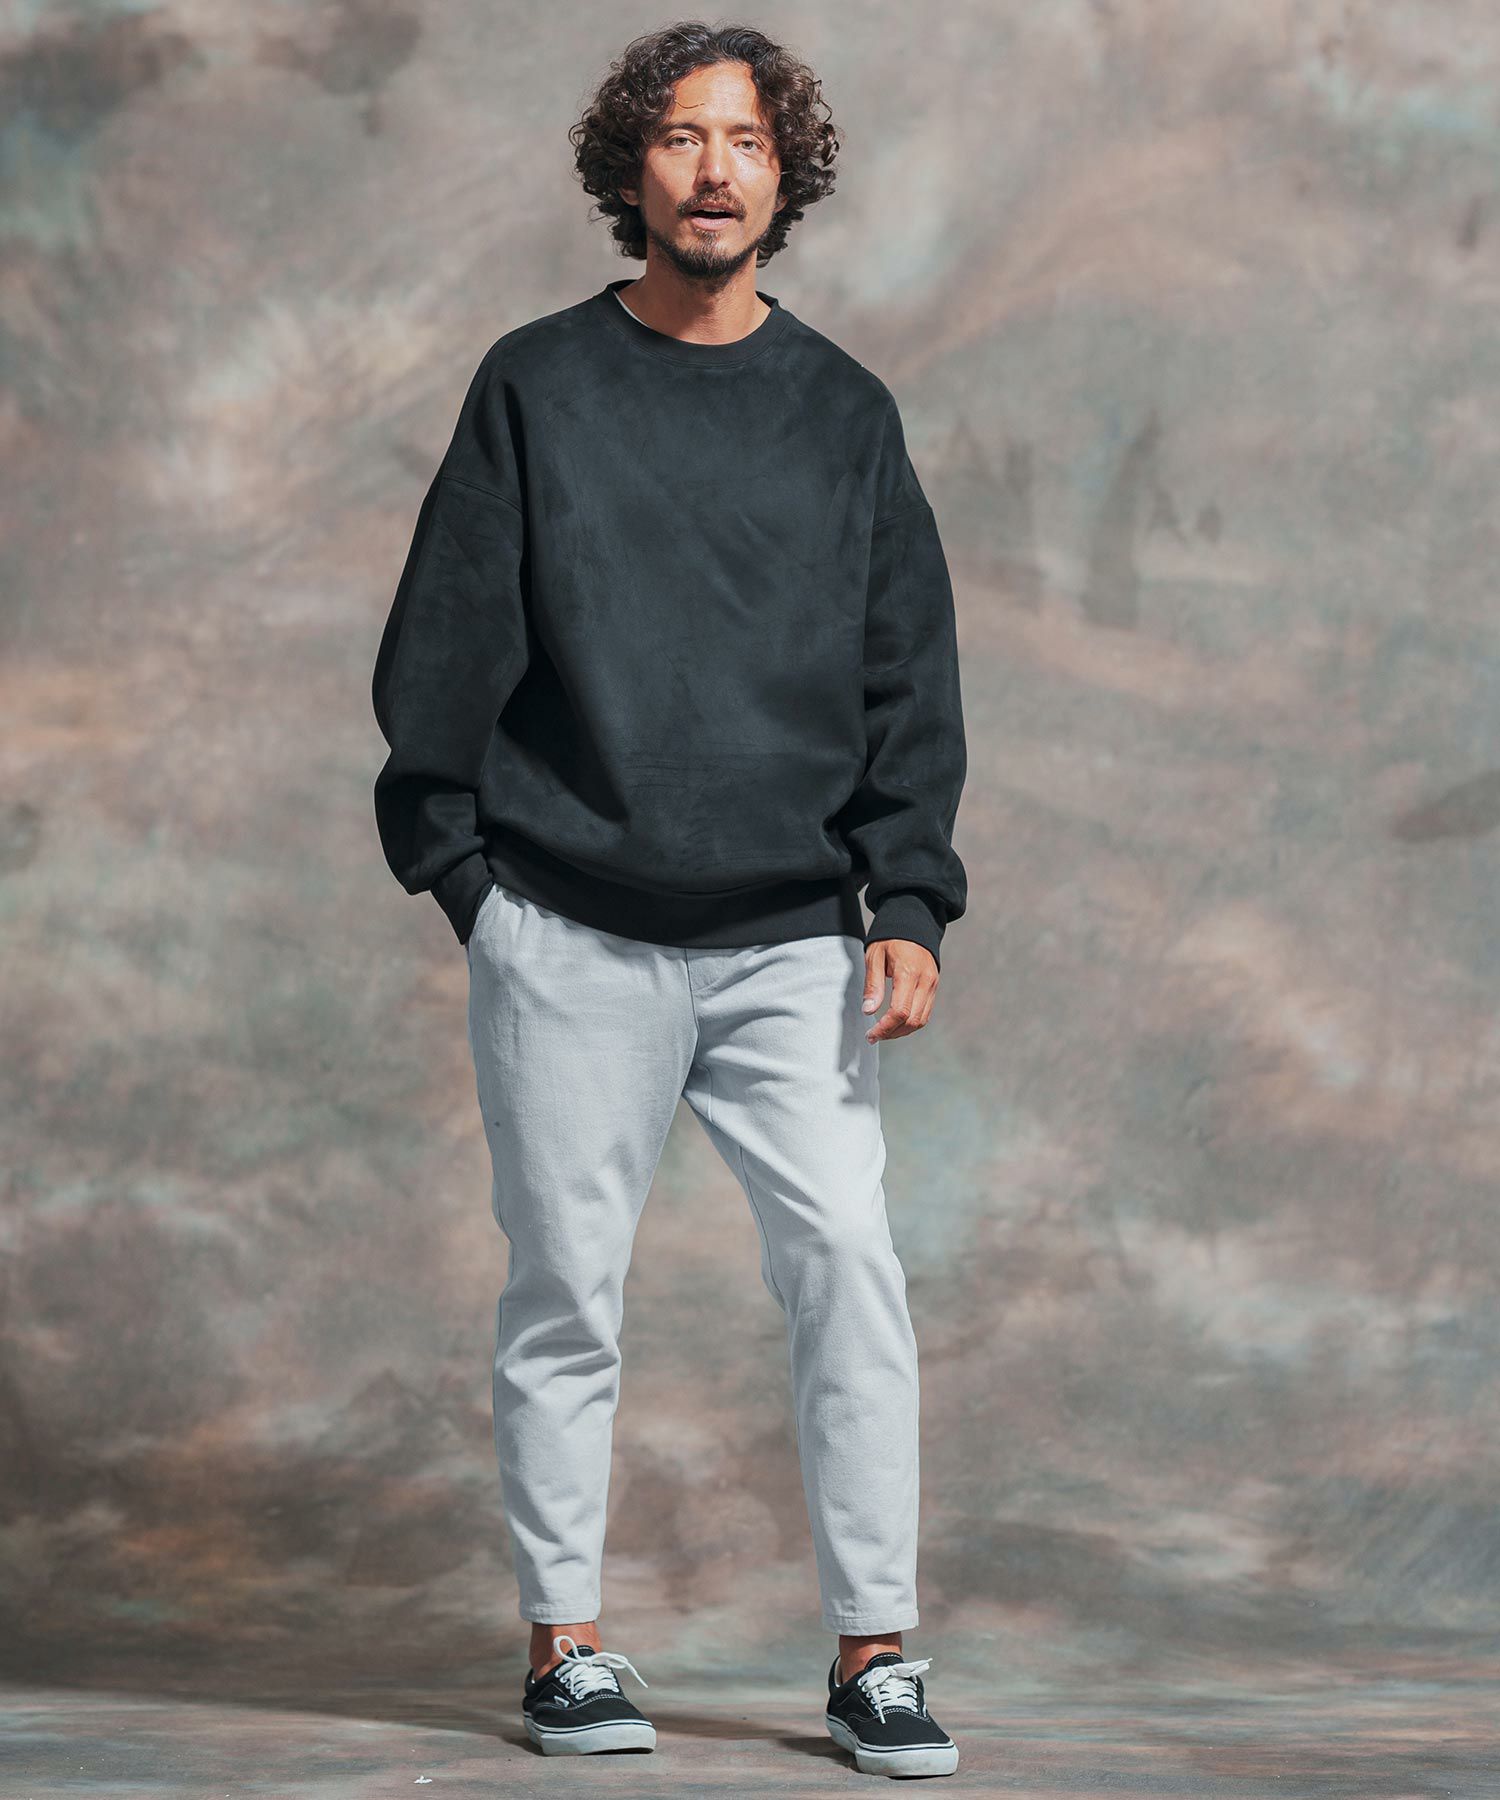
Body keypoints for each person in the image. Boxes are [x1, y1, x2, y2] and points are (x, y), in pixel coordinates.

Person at [371, 20, 966, 1780]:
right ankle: (566, 1647)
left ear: (788, 179)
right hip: (566, 928)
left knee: (848, 1267)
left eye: (749, 142)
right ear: (630, 167)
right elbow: (441, 649)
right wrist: (473, 883)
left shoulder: (846, 415)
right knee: (567, 1288)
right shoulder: (536, 387)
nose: (716, 169)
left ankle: (873, 1658)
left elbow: (906, 678)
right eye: (685, 137)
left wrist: (908, 899)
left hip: (793, 940)